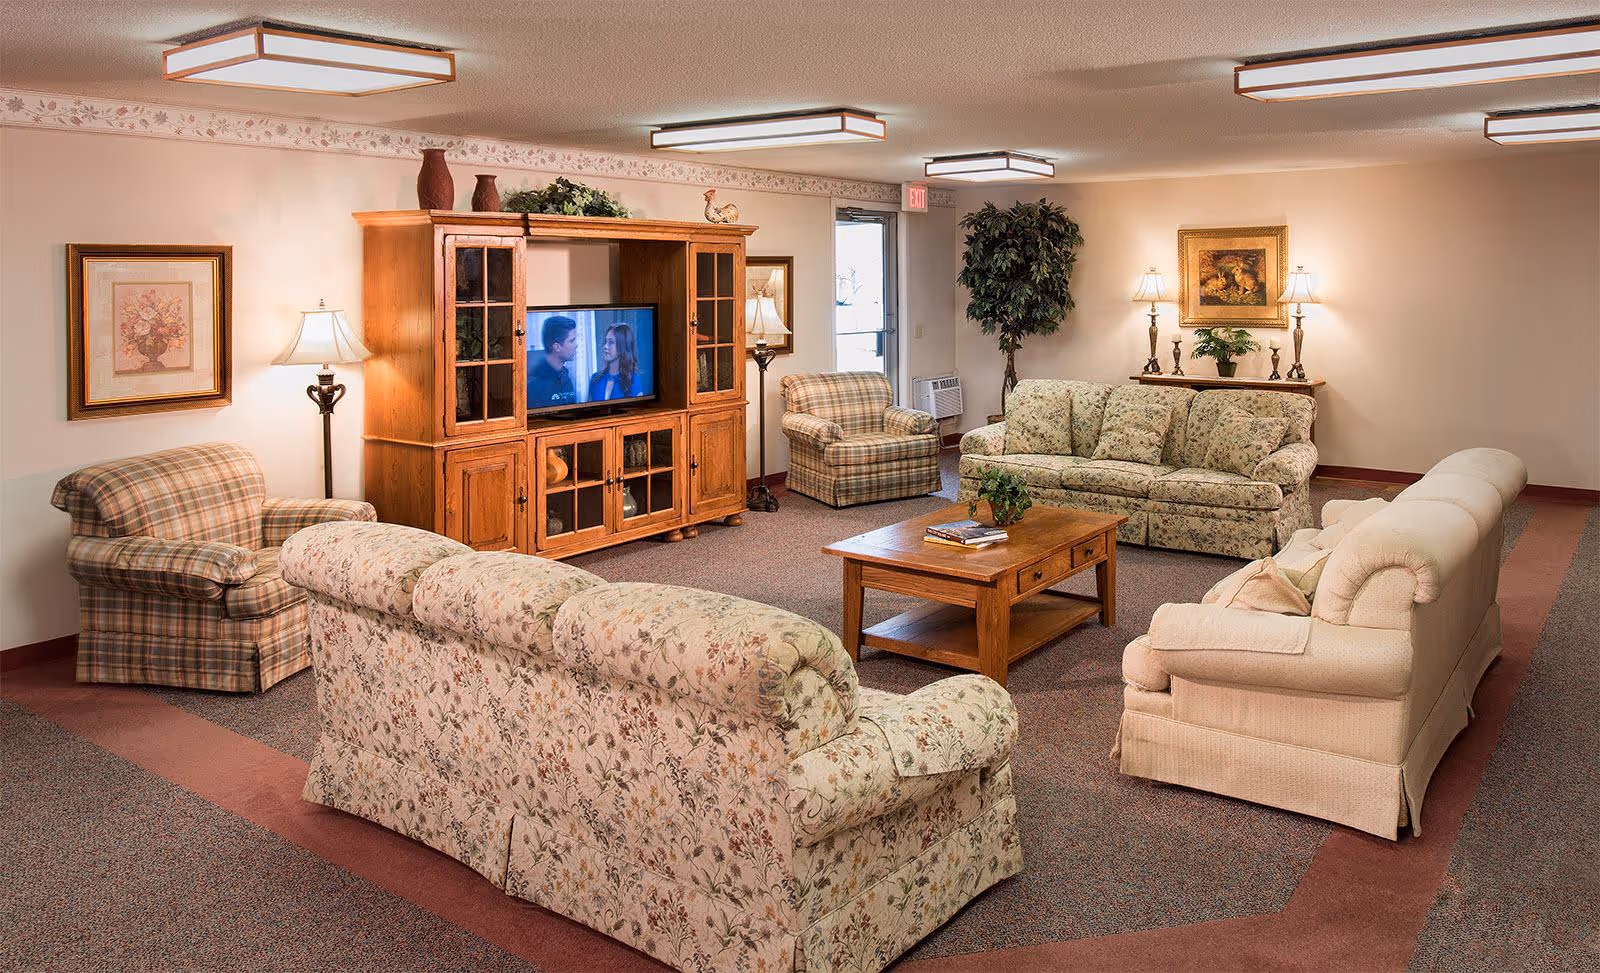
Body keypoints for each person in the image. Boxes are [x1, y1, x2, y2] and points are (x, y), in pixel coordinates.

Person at [527, 315, 578, 407]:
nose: (576, 345)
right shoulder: (534, 386)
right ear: (557, 347)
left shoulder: (566, 376)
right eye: (572, 341)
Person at [588, 323, 644, 401]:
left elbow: (638, 411)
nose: (605, 346)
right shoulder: (595, 378)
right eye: (606, 341)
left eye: (611, 342)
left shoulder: (633, 380)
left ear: (623, 346)